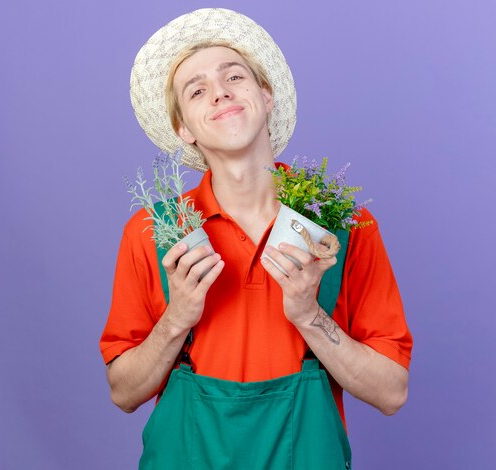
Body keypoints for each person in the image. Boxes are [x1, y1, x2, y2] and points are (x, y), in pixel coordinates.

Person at [100, 8, 412, 469]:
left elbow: (391, 392)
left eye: (234, 77)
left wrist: (309, 316)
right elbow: (124, 393)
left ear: (266, 97)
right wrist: (177, 318)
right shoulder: (155, 232)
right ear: (183, 128)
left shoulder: (340, 227)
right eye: (198, 90)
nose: (221, 91)